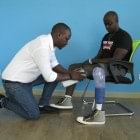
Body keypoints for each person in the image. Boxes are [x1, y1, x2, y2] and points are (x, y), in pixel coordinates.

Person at [50, 11, 133, 125]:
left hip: (118, 68)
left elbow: (115, 60)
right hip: (102, 65)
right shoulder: (106, 36)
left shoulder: (125, 37)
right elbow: (99, 56)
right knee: (74, 66)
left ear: (117, 21)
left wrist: (91, 62)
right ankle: (67, 100)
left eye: (110, 23)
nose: (107, 27)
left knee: (96, 70)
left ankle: (99, 114)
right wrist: (88, 62)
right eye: (105, 24)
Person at [0, 23, 85, 120]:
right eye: (66, 39)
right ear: (59, 35)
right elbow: (49, 76)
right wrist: (71, 76)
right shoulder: (42, 46)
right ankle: (3, 101)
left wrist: (73, 75)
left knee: (56, 76)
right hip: (13, 84)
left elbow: (55, 65)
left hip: (26, 80)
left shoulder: (49, 44)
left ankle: (43, 105)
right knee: (33, 115)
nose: (67, 43)